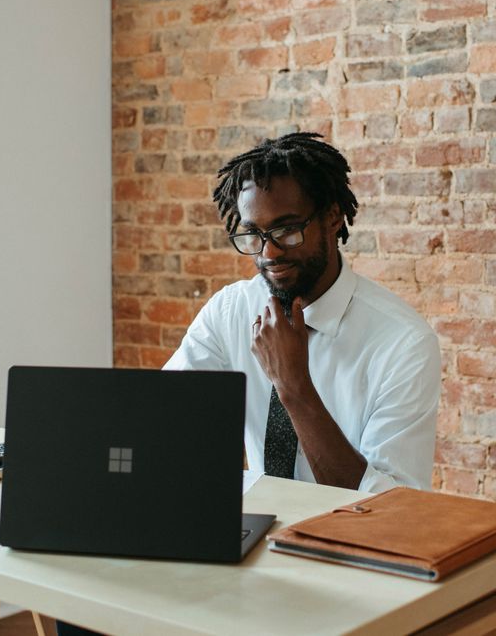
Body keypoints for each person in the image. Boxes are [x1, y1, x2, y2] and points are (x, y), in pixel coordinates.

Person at [164, 132, 441, 492]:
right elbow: (164, 417)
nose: (269, 253)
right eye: (255, 235)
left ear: (332, 218)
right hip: (254, 530)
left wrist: (293, 386)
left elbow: (389, 509)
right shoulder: (230, 312)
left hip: (347, 541)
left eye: (287, 230)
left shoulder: (403, 344)